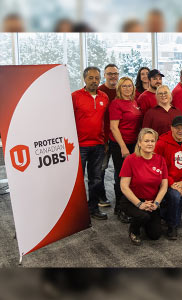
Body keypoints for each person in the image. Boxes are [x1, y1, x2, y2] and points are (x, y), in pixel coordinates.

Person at [72, 66, 109, 220]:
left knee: (96, 179)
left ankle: (93, 208)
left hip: (98, 145)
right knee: (77, 180)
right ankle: (77, 211)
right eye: (91, 78)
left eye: (97, 78)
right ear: (84, 79)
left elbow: (106, 121)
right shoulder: (75, 96)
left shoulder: (104, 97)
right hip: (79, 146)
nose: (94, 81)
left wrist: (105, 140)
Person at [120, 128, 168, 245]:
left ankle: (145, 220)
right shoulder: (130, 160)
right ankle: (134, 230)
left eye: (152, 141)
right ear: (139, 143)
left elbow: (164, 185)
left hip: (152, 202)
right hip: (132, 201)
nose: (150, 144)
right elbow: (124, 186)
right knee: (143, 216)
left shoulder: (160, 160)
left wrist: (156, 203)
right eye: (146, 141)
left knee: (155, 235)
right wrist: (139, 204)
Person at [154, 116, 182, 239]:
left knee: (176, 197)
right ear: (171, 128)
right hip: (164, 181)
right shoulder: (161, 143)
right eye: (177, 128)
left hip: (181, 183)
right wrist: (172, 182)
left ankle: (165, 214)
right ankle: (171, 226)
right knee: (175, 196)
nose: (180, 131)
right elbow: (158, 167)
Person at [109, 77, 143, 223]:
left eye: (129, 86)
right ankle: (119, 208)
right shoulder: (116, 104)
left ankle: (129, 203)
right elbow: (113, 127)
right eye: (124, 86)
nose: (127, 88)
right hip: (120, 145)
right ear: (119, 88)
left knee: (132, 176)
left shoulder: (134, 102)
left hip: (134, 144)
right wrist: (123, 147)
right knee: (121, 176)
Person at [97, 64, 119, 207]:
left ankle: (121, 198)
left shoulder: (121, 90)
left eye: (115, 73)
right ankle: (101, 197)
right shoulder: (99, 92)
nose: (113, 76)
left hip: (118, 138)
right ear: (104, 75)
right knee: (101, 169)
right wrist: (103, 140)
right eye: (110, 73)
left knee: (119, 169)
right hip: (103, 138)